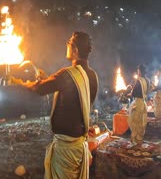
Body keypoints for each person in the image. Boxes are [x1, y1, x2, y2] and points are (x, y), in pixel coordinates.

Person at [12, 31, 99, 179]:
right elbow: (71, 98)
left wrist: (21, 83)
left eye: (69, 43)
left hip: (66, 148)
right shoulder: (92, 75)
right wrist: (47, 79)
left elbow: (40, 89)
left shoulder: (68, 74)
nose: (67, 45)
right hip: (78, 143)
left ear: (75, 50)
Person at [128, 64, 150, 145]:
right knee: (142, 121)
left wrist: (130, 92)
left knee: (135, 121)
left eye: (138, 71)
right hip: (143, 102)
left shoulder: (139, 80)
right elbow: (147, 91)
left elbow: (134, 93)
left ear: (140, 71)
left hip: (138, 103)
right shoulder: (147, 80)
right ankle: (140, 138)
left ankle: (136, 139)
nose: (138, 72)